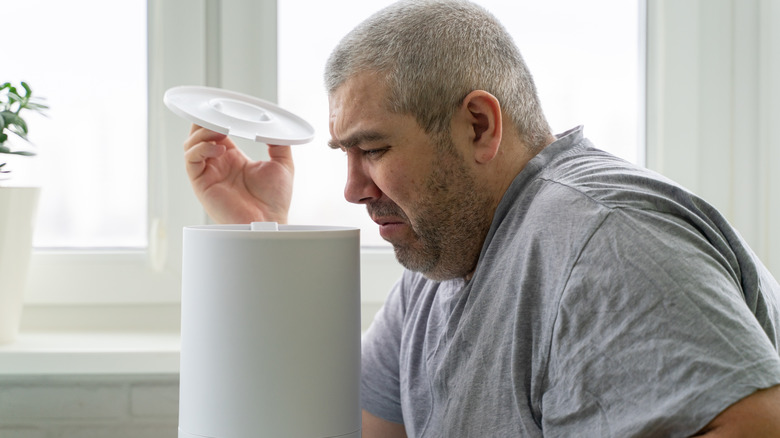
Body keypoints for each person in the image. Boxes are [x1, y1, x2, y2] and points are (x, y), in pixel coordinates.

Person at [183, 0, 780, 436]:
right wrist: (260, 241)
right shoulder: (440, 257)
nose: (352, 189)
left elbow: (756, 426)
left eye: (375, 149)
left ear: (479, 126)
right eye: (345, 154)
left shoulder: (607, 239)